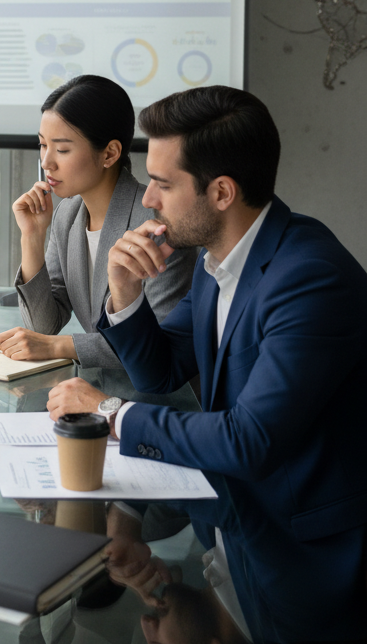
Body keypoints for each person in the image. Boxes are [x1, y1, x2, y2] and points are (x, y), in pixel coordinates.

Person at [46, 86, 367, 641]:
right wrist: (123, 293)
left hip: (301, 571)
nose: (147, 200)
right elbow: (161, 372)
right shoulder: (216, 260)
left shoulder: (310, 277)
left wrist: (112, 413)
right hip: (228, 543)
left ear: (221, 191)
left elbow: (250, 440)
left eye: (164, 185)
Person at [0, 74, 195, 368]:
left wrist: (61, 345)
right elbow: (43, 326)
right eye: (42, 145)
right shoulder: (67, 215)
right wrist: (32, 237)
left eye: (62, 149)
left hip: (159, 400)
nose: (47, 161)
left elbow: (159, 344)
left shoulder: (157, 225)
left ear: (109, 153)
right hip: (100, 389)